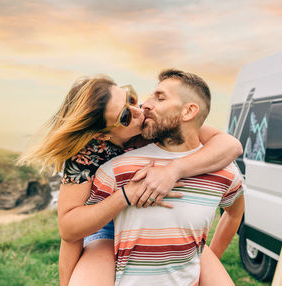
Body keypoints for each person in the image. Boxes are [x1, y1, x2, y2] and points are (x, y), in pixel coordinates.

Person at [18, 75, 243, 285]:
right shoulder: (87, 154)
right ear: (102, 135)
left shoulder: (157, 124)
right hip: (104, 222)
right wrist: (125, 196)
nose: (139, 110)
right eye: (125, 116)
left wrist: (173, 170)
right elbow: (70, 231)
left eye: (131, 99)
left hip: (169, 232)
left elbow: (231, 146)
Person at [91, 69, 244, 285]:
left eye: (160, 98)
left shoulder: (225, 172)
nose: (145, 104)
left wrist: (206, 261)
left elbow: (235, 213)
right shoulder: (118, 167)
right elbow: (73, 227)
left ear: (189, 111)